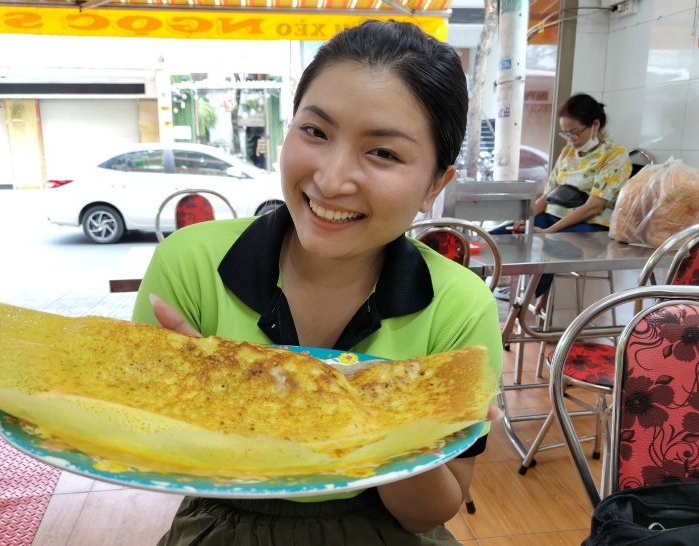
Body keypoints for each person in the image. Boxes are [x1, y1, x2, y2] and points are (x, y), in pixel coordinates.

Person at [131, 19, 503, 546]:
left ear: (435, 186)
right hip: (225, 521)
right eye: (315, 131)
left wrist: (399, 432)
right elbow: (150, 455)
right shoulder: (188, 266)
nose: (330, 179)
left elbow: (429, 513)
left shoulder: (457, 303)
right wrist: (204, 401)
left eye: (384, 153)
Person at [491, 93, 632, 300]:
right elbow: (547, 197)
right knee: (498, 237)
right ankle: (492, 290)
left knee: (548, 245)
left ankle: (521, 301)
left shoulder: (615, 155)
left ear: (595, 124)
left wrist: (547, 231)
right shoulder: (567, 153)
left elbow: (593, 206)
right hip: (552, 218)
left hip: (590, 226)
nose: (571, 140)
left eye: (574, 133)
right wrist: (525, 219)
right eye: (565, 134)